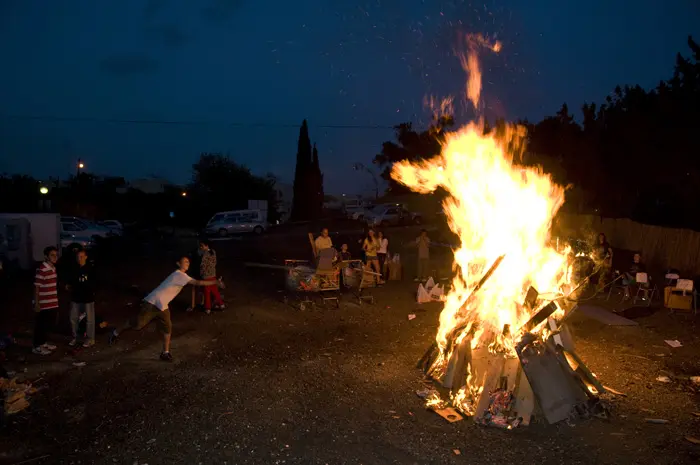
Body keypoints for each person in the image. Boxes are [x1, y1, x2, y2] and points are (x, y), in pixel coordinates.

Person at [108, 256, 220, 361]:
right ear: (178, 263)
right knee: (137, 324)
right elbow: (198, 282)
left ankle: (165, 353)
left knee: (168, 327)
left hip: (162, 305)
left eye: (188, 262)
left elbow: (195, 282)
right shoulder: (179, 275)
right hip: (152, 303)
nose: (187, 263)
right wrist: (214, 282)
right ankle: (115, 332)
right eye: (185, 261)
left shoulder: (181, 276)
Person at [67, 249, 97, 348]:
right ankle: (75, 337)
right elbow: (70, 281)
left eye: (81, 256)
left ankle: (90, 339)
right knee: (73, 318)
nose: (79, 258)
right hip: (76, 298)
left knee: (89, 319)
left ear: (86, 257)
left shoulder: (90, 269)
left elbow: (95, 283)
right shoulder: (74, 268)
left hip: (88, 298)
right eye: (78, 256)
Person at [33, 246, 59, 355]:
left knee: (49, 325)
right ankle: (37, 346)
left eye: (56, 255)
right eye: (52, 255)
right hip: (44, 303)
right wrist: (37, 303)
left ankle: (43, 343)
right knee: (41, 325)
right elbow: (36, 287)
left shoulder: (53, 268)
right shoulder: (42, 269)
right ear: (46, 256)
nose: (55, 257)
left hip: (52, 302)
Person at [198, 240, 225, 314]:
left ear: (207, 246)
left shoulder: (205, 254)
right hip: (213, 274)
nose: (201, 247)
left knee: (207, 292)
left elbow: (202, 265)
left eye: (202, 246)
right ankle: (221, 304)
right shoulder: (213, 252)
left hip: (206, 276)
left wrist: (201, 273)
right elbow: (214, 263)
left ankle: (208, 308)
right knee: (215, 291)